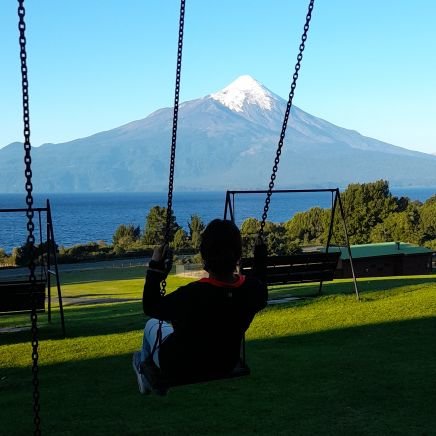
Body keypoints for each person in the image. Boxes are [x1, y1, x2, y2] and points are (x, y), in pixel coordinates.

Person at [132, 218, 268, 394]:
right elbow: (260, 283)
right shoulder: (252, 291)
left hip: (178, 366)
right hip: (224, 363)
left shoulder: (192, 294)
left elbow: (151, 307)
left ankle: (144, 371)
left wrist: (156, 266)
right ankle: (145, 368)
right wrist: (260, 253)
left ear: (204, 256)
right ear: (238, 255)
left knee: (152, 324)